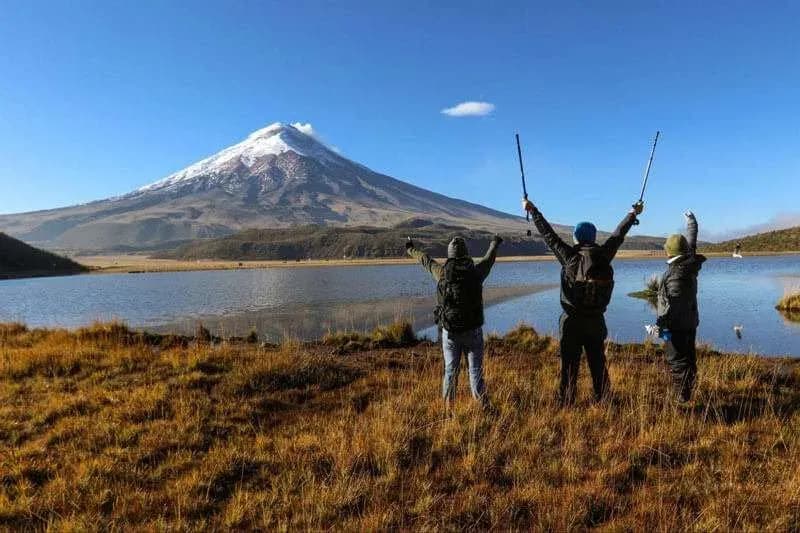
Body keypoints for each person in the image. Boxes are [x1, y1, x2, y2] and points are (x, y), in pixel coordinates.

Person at [522, 198, 644, 406]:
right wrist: (633, 214)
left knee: (569, 364)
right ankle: (604, 399)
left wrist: (533, 211)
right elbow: (618, 235)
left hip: (571, 322)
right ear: (593, 237)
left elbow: (549, 235)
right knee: (598, 363)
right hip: (596, 321)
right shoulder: (604, 255)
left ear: (576, 238)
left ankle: (567, 401)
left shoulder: (569, 256)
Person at [406, 235, 502, 414]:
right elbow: (489, 258)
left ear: (449, 255)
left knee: (450, 371)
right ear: (466, 254)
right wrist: (495, 242)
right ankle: (484, 409)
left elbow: (425, 260)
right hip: (473, 332)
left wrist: (410, 248)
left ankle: (448, 411)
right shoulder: (476, 272)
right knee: (475, 372)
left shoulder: (441, 272)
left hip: (449, 332)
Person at [655, 211, 706, 403]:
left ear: (670, 252)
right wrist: (691, 221)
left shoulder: (676, 274)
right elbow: (691, 241)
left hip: (675, 325)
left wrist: (661, 326)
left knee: (676, 360)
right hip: (690, 321)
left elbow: (674, 305)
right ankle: (689, 391)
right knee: (688, 357)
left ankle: (682, 399)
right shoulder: (689, 263)